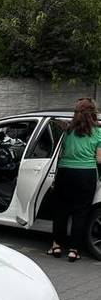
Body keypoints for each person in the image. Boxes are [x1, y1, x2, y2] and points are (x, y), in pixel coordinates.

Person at [48, 98, 101, 261]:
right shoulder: (98, 132)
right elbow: (99, 159)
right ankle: (74, 250)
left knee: (61, 210)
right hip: (86, 174)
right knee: (81, 213)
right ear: (93, 114)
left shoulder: (67, 130)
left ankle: (56, 246)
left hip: (65, 172)